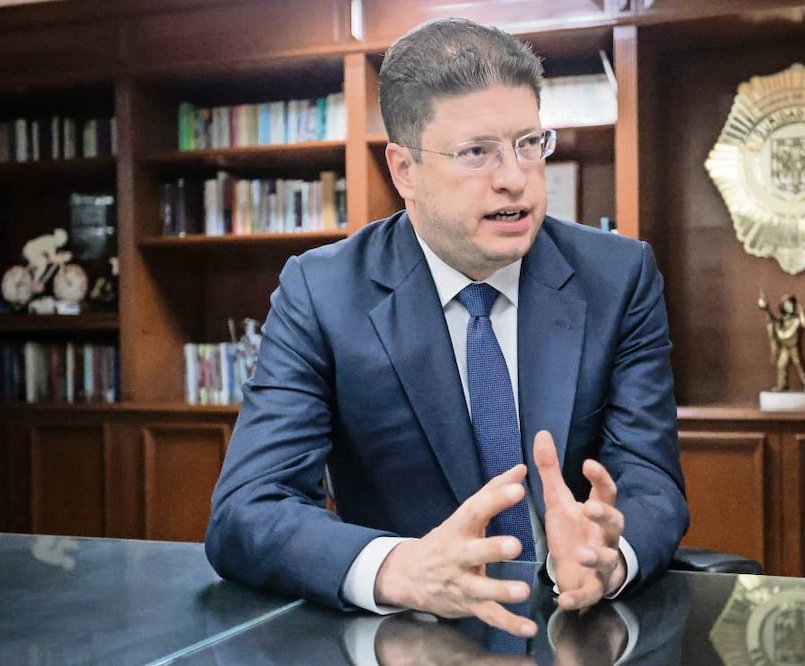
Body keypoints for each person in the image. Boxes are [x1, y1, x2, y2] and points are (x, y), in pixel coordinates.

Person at [205, 17, 688, 641]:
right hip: (408, 635)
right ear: (404, 169)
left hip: (577, 629)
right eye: (476, 152)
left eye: (529, 142)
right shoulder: (323, 292)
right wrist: (397, 568)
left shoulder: (618, 277)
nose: (513, 176)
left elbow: (652, 482)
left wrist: (610, 557)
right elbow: (247, 510)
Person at [757, 290, 805, 392]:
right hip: (784, 347)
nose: (789, 307)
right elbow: (772, 319)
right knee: (781, 365)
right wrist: (766, 308)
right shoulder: (782, 320)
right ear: (782, 307)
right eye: (787, 305)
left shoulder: (796, 319)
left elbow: (804, 324)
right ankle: (782, 386)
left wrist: (801, 313)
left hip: (793, 347)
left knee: (798, 365)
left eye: (791, 304)